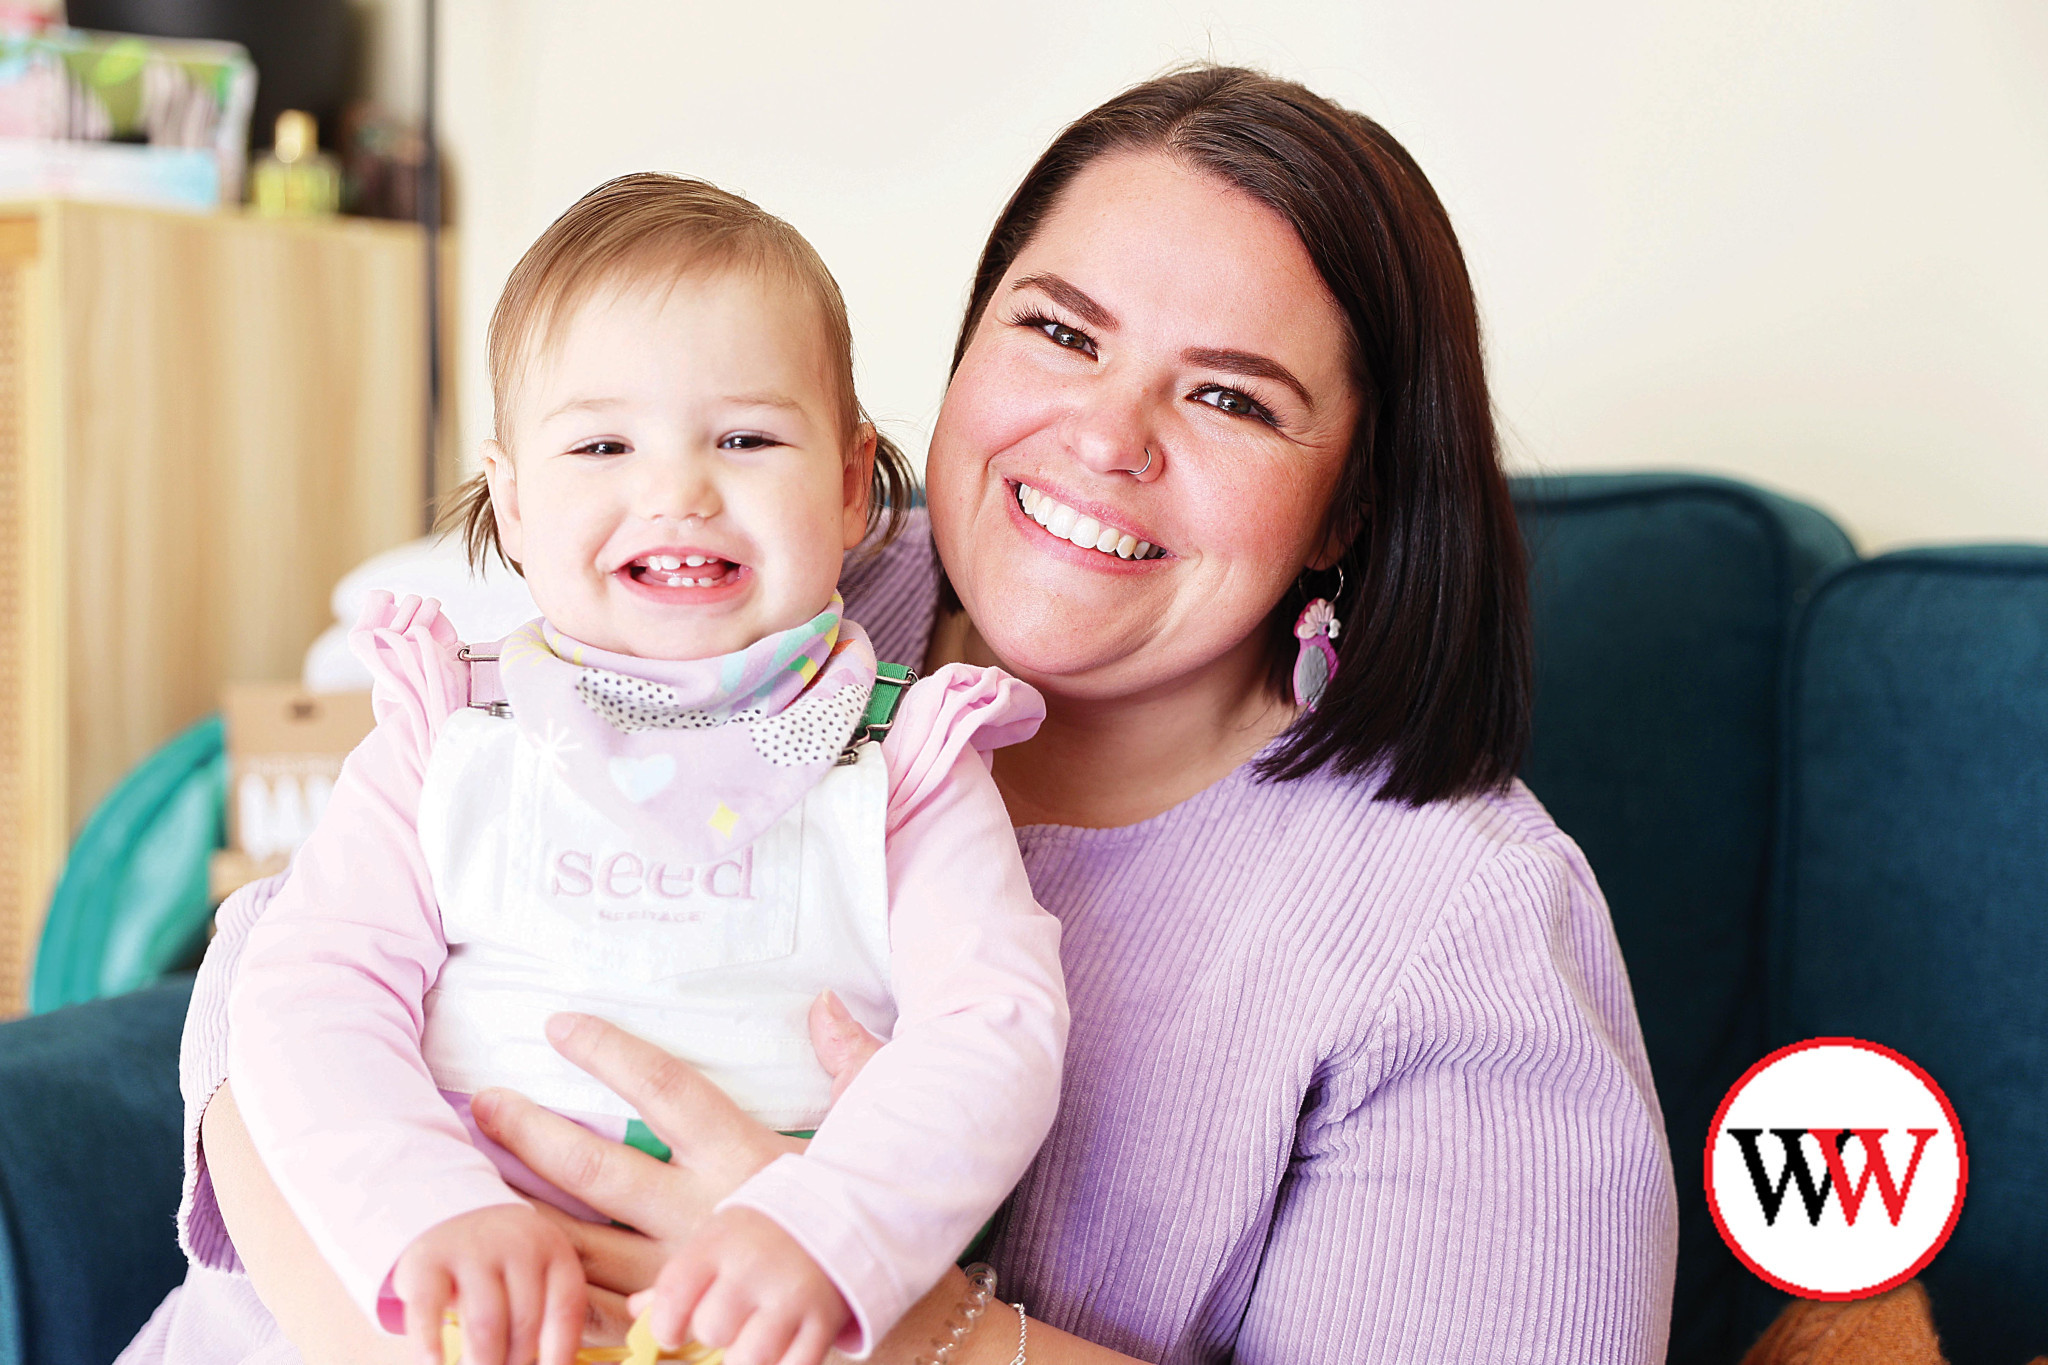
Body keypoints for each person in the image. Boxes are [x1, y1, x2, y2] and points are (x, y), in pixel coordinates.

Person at [130, 65, 1678, 1365]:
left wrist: (920, 1325)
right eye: (1059, 332)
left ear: (1350, 503)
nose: (1102, 439)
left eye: (1230, 397)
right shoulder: (761, 605)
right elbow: (286, 980)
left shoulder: (1454, 925)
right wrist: (421, 1286)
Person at [138, 175, 1069, 1365]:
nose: (675, 490)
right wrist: (429, 1210)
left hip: (720, 1319)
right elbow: (306, 994)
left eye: (743, 438)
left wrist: (832, 1232)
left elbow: (992, 1029)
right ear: (512, 504)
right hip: (388, 1301)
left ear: (848, 486)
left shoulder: (905, 761)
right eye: (601, 443)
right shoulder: (453, 734)